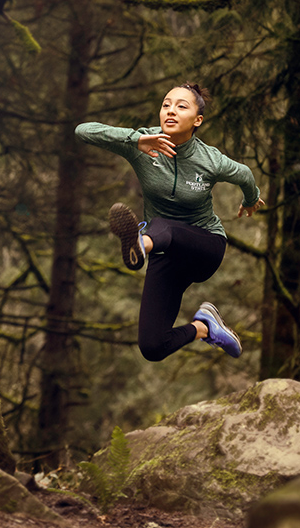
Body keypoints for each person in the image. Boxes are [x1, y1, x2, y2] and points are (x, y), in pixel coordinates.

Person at [75, 83, 265, 362]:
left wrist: (251, 199)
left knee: (162, 225)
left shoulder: (209, 159)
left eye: (181, 106)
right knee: (152, 346)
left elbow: (245, 174)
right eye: (166, 104)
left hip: (204, 247)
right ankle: (205, 327)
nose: (171, 111)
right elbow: (83, 131)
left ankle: (141, 244)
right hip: (165, 252)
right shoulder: (143, 143)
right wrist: (133, 140)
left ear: (197, 120)